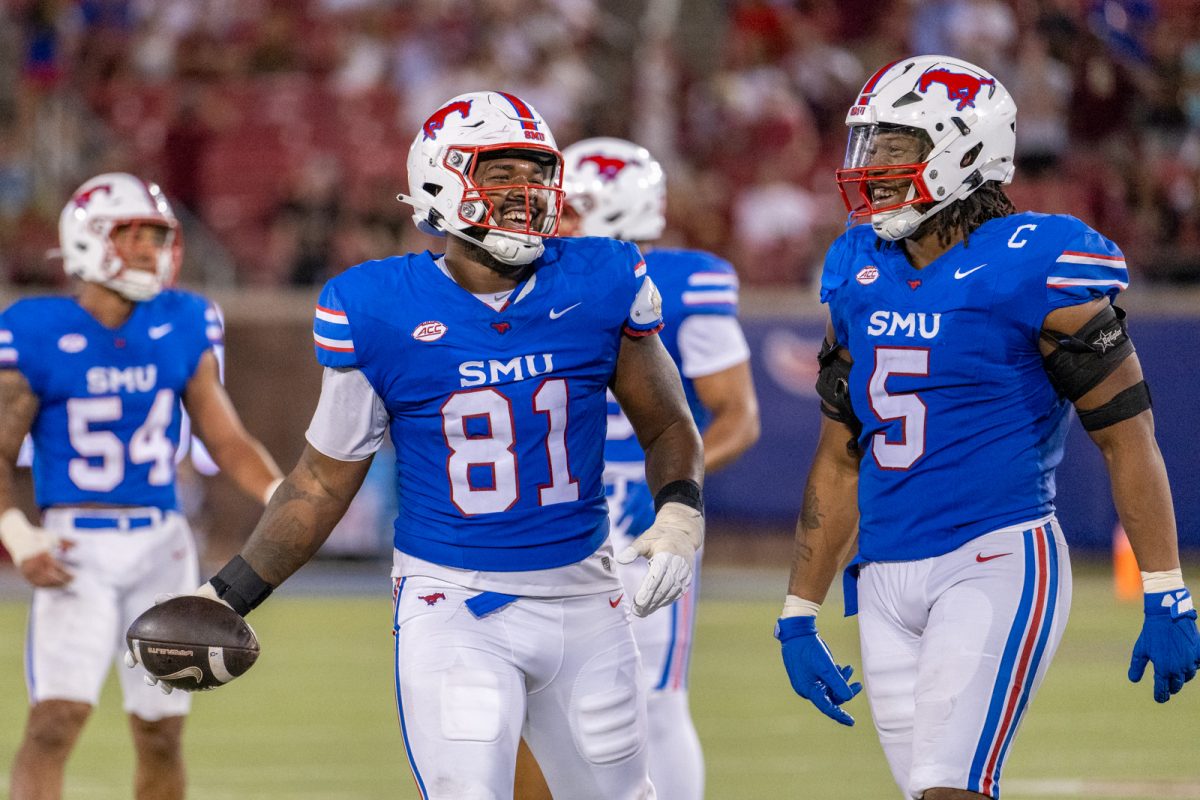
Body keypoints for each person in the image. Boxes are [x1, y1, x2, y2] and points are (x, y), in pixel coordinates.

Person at [162, 92, 705, 799]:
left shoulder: (601, 276)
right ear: (441, 182)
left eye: (535, 174)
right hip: (454, 604)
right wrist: (227, 594)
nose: (524, 194)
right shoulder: (379, 304)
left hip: (586, 596)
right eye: (500, 173)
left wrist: (679, 511)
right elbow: (324, 481)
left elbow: (667, 423)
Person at [776, 55, 1200, 800]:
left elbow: (1126, 435)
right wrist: (799, 609)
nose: (871, 164)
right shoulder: (856, 266)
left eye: (894, 144)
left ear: (964, 148)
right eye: (868, 144)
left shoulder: (1035, 261)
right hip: (880, 579)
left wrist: (1167, 588)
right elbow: (842, 455)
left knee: (950, 789)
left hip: (995, 556)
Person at [0, 172, 284, 800]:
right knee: (54, 722)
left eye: (157, 236)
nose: (148, 249)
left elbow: (225, 436)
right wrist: (17, 534)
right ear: (86, 239)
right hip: (75, 545)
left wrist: (281, 495)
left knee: (161, 732)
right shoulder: (35, 327)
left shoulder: (185, 319)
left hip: (163, 545)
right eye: (131, 234)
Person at [513, 137, 760, 800]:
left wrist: (675, 495)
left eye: (574, 205)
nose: (555, 217)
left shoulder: (685, 278)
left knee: (653, 698)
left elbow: (735, 415)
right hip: (553, 515)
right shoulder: (532, 275)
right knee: (534, 702)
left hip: (640, 515)